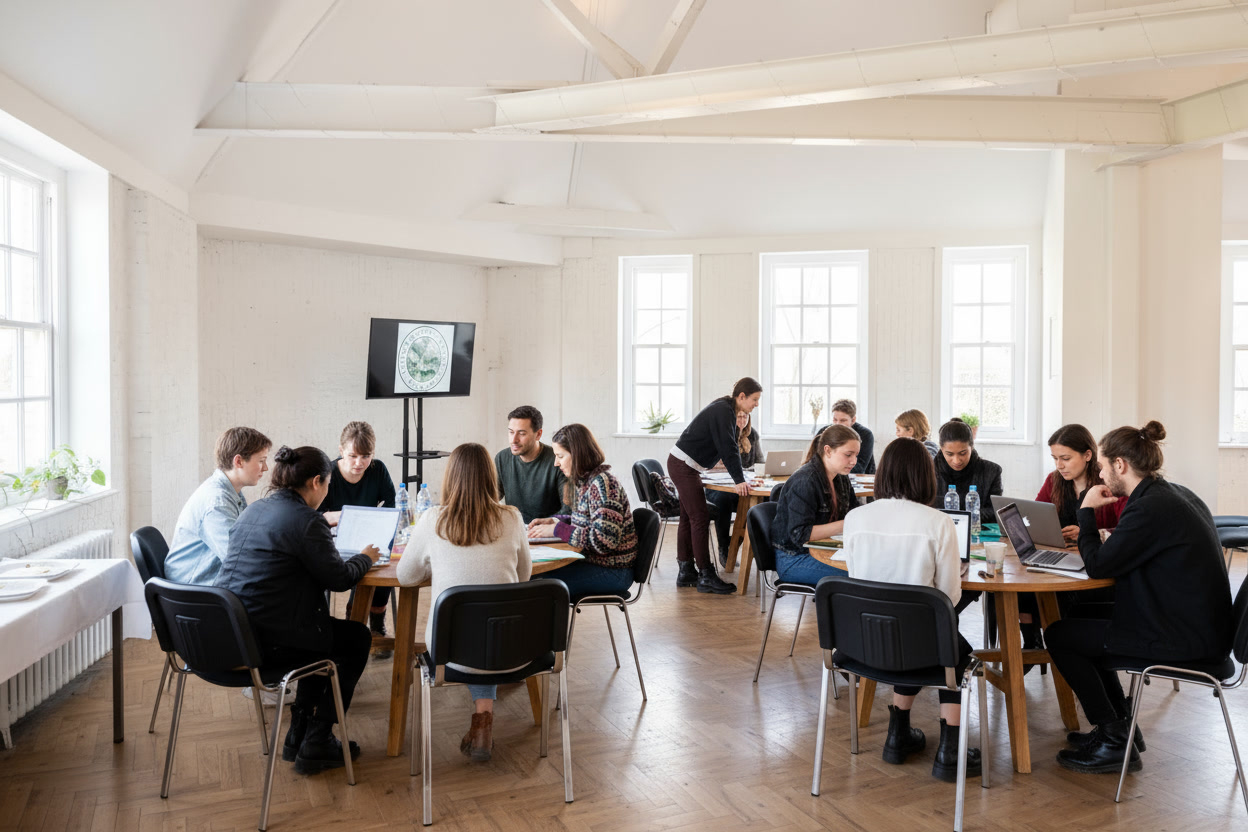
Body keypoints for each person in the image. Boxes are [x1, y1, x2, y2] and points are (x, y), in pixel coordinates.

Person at [1047, 421, 1232, 775]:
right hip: (1192, 623)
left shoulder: (1149, 507)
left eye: (1101, 465)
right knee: (1082, 615)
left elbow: (1099, 566)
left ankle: (1115, 740)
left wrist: (1086, 511)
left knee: (1059, 636)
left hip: (1182, 638)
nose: (1099, 473)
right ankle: (1119, 729)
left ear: (1120, 465)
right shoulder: (1169, 494)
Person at [216, 446, 378, 775]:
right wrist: (366, 557)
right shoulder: (306, 520)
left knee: (320, 632)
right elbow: (340, 579)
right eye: (328, 484)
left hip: (231, 634)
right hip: (268, 645)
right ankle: (317, 739)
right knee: (355, 638)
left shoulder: (255, 509)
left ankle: (298, 735)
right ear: (317, 482)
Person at [842, 437, 982, 781]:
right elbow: (947, 598)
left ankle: (897, 736)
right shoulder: (938, 523)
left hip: (864, 646)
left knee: (908, 631)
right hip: (922, 646)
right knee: (952, 648)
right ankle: (950, 752)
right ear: (926, 475)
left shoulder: (855, 518)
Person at [396, 443, 532, 763]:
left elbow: (406, 575)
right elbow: (523, 577)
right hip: (511, 649)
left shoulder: (433, 519)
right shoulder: (512, 517)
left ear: (450, 477)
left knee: (469, 629)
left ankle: (481, 721)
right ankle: (482, 719)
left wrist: (438, 564)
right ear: (490, 477)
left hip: (449, 653)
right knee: (488, 625)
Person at [666, 378, 763, 594]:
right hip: (684, 466)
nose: (756, 404)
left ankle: (686, 571)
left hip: (684, 464)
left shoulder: (725, 408)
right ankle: (706, 574)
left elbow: (727, 448)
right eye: (754, 399)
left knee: (687, 517)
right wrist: (740, 481)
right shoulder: (723, 411)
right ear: (741, 396)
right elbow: (728, 448)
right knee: (699, 518)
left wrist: (739, 478)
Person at [527, 424, 638, 600]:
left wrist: (557, 530)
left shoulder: (603, 485)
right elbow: (589, 521)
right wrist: (557, 522)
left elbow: (603, 541)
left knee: (535, 585)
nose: (556, 463)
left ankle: (546, 628)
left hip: (613, 572)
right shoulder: (589, 481)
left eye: (560, 456)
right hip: (598, 565)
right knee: (531, 579)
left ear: (577, 455)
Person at [319, 421, 396, 657]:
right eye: (352, 456)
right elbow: (315, 517)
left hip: (371, 538)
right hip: (335, 542)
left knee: (385, 564)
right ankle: (352, 622)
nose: (359, 463)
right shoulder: (327, 474)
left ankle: (374, 623)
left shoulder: (378, 470)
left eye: (366, 456)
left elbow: (392, 506)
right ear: (341, 451)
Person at [165, 426, 271, 585]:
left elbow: (245, 543)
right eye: (261, 461)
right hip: (194, 588)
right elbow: (238, 560)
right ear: (238, 461)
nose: (265, 467)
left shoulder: (230, 492)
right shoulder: (217, 502)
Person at [770, 424, 860, 585]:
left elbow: (855, 513)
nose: (854, 461)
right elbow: (801, 535)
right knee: (864, 574)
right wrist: (845, 525)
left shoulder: (841, 477)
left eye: (856, 455)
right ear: (828, 450)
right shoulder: (805, 481)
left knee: (874, 568)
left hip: (826, 551)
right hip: (794, 559)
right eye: (848, 455)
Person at [1038, 423, 1127, 545]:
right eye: (1055, 458)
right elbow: (1037, 516)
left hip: (1097, 556)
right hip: (1062, 552)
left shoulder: (1111, 483)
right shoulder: (1053, 480)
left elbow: (1129, 530)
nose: (1059, 465)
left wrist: (1088, 533)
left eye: (1066, 458)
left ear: (1087, 455)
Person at [494, 405, 570, 525]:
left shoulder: (557, 460)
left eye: (522, 433)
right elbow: (490, 498)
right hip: (515, 531)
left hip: (550, 534)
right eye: (511, 432)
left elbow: (569, 509)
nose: (514, 440)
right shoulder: (502, 458)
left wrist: (551, 523)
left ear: (538, 434)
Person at [705, 410, 764, 562]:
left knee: (758, 502)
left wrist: (754, 472)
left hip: (744, 486)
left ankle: (736, 542)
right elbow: (706, 466)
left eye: (746, 416)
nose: (742, 420)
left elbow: (760, 462)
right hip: (718, 487)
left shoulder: (753, 435)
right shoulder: (720, 433)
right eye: (739, 416)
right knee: (723, 500)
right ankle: (724, 547)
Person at [931, 418, 1004, 523]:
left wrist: (956, 514)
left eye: (963, 453)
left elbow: (995, 511)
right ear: (941, 449)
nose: (956, 461)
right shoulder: (929, 472)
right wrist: (970, 512)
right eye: (949, 454)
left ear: (972, 446)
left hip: (977, 534)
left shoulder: (992, 472)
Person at [818, 399, 875, 474]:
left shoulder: (865, 434)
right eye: (835, 420)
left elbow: (859, 468)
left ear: (853, 420)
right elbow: (815, 459)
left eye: (843, 420)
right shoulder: (823, 432)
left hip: (860, 479)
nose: (837, 424)